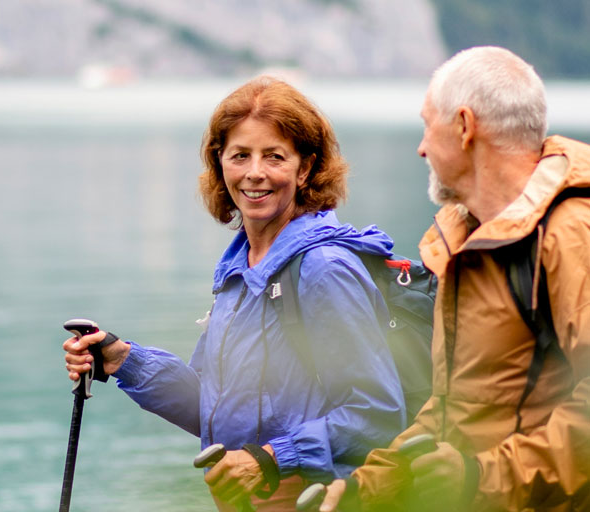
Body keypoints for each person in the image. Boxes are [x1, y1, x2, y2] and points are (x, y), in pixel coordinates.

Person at [62, 76, 406, 511]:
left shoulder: (323, 269)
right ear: (219, 163)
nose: (255, 173)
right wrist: (123, 360)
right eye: (240, 155)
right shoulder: (239, 269)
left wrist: (269, 459)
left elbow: (378, 414)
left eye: (274, 156)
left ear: (305, 168)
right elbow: (213, 409)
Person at [317, 46, 590, 512]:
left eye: (428, 124)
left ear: (464, 126)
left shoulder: (568, 234)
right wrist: (367, 488)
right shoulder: (469, 243)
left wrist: (480, 476)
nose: (421, 147)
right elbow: (454, 409)